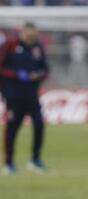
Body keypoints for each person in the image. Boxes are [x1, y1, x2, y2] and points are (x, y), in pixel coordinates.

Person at [0, 22, 49, 175]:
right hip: (14, 96)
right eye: (29, 35)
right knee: (12, 129)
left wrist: (39, 75)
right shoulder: (10, 45)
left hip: (32, 96)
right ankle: (9, 164)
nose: (31, 38)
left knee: (39, 124)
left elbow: (45, 69)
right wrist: (17, 75)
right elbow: (1, 67)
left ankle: (35, 160)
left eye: (34, 35)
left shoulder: (37, 47)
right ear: (22, 33)